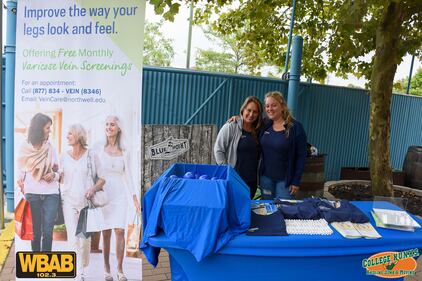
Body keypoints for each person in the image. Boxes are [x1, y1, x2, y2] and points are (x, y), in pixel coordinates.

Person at [60, 124, 105, 281]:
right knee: (73, 238)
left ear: (78, 136)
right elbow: (59, 176)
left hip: (86, 202)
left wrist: (92, 189)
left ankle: (82, 266)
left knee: (84, 240)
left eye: (70, 134)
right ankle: (78, 274)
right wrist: (53, 174)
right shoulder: (64, 156)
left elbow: (102, 179)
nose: (67, 136)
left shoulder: (91, 155)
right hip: (69, 202)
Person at [98, 115, 141, 281]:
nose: (109, 127)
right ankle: (106, 269)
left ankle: (120, 270)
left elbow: (128, 176)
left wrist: (135, 199)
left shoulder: (125, 152)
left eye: (112, 125)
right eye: (107, 124)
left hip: (120, 195)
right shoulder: (99, 148)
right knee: (106, 232)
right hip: (103, 195)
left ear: (119, 128)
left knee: (120, 231)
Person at [17, 113, 60, 252]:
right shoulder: (25, 147)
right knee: (35, 232)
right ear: (39, 128)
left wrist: (53, 175)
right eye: (48, 128)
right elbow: (20, 173)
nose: (50, 130)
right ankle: (36, 263)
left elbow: (59, 172)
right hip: (32, 194)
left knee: (47, 232)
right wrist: (22, 187)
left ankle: (46, 263)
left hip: (51, 194)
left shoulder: (50, 147)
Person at [259, 91, 307, 199]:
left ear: (282, 106)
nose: (270, 109)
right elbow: (248, 121)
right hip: (265, 178)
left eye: (274, 105)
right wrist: (237, 119)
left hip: (286, 181)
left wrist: (296, 180)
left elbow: (301, 156)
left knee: (284, 210)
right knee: (268, 210)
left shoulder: (295, 127)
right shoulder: (265, 124)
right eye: (267, 106)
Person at [214, 96, 263, 199]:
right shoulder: (231, 126)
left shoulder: (259, 130)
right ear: (243, 109)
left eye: (255, 112)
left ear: (258, 114)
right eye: (248, 110)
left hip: (252, 182)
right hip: (234, 179)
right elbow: (218, 150)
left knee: (245, 211)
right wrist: (227, 171)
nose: (251, 114)